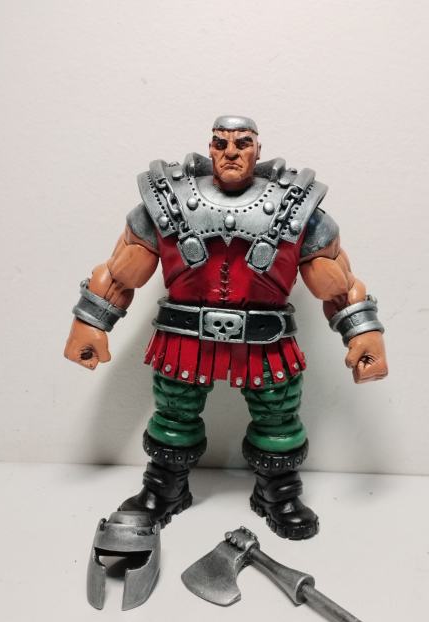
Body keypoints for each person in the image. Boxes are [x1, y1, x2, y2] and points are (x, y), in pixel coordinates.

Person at [64, 115, 388, 541]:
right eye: (221, 143)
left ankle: (278, 492)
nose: (231, 152)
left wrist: (363, 332)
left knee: (278, 416)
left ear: (258, 148)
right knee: (174, 413)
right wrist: (90, 322)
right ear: (210, 147)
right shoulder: (167, 199)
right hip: (183, 338)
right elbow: (121, 271)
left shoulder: (295, 205)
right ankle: (165, 488)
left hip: (266, 341)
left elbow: (336, 281)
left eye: (242, 143)